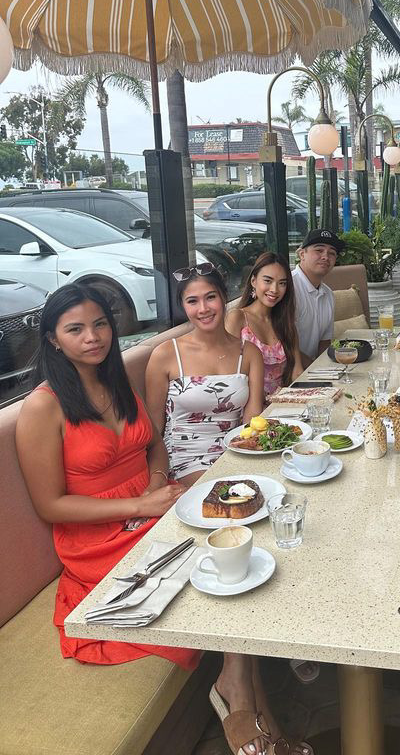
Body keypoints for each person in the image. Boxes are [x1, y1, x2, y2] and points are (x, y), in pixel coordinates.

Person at [16, 283, 312, 755]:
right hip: (99, 537)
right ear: (53, 338)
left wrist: (157, 481)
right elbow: (50, 505)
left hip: (152, 505)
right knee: (228, 562)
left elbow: (153, 443)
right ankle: (251, 707)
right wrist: (139, 506)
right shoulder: (43, 405)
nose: (92, 337)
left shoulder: (115, 382)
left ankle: (245, 698)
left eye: (100, 325)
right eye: (75, 329)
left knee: (246, 539)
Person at [145, 263, 265, 485]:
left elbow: (251, 421)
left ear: (224, 297)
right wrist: (155, 482)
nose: (203, 309)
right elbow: (153, 431)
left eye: (210, 297)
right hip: (183, 462)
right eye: (192, 301)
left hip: (236, 454)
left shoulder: (249, 353)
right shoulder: (165, 354)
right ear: (183, 306)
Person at [227, 252, 303, 399]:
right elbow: (230, 373)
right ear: (253, 281)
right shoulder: (237, 318)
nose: (274, 289)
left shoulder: (286, 323)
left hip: (283, 403)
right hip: (247, 404)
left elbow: (297, 372)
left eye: (282, 283)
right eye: (268, 281)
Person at [292, 229, 344, 367]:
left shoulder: (328, 294)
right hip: (284, 371)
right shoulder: (287, 287)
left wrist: (326, 368)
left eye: (332, 253)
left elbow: (324, 342)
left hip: (311, 369)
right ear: (302, 254)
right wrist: (316, 369)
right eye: (319, 250)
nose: (325, 257)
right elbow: (282, 344)